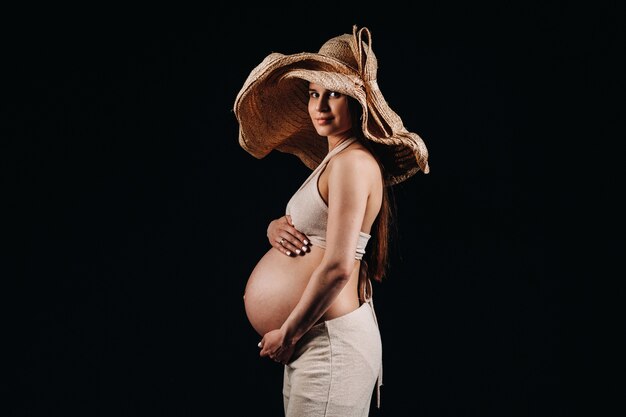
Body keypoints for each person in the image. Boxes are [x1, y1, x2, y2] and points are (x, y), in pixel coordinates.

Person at [233, 25, 429, 417]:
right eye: (314, 94)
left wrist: (287, 335)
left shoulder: (353, 163)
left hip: (324, 344)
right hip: (314, 342)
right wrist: (278, 227)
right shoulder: (338, 160)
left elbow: (338, 266)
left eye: (334, 94)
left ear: (357, 104)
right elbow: (321, 228)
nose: (320, 106)